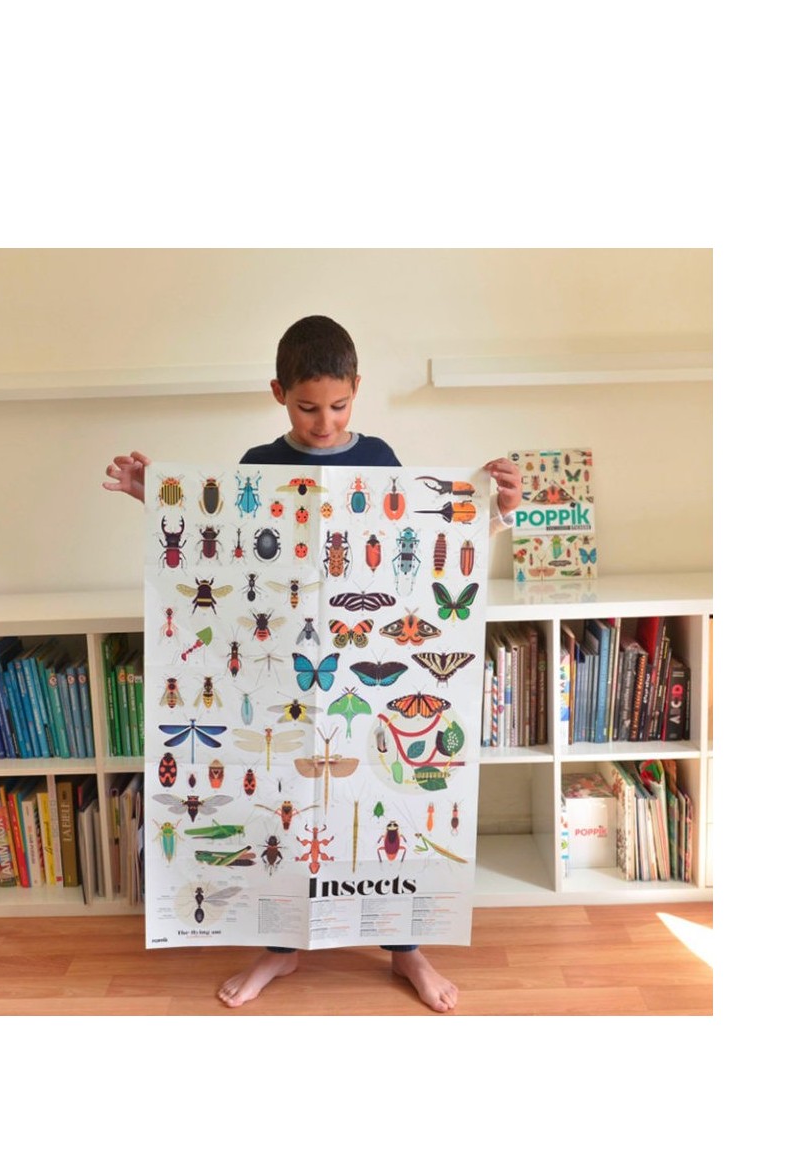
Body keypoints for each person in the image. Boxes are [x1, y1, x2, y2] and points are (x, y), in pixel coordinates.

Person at [103, 315, 522, 1012]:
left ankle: (407, 950)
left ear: (357, 389)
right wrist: (154, 492)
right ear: (278, 393)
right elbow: (219, 542)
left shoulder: (380, 458)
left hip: (370, 656)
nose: (324, 423)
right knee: (279, 807)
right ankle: (281, 948)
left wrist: (498, 510)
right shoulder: (260, 462)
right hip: (281, 664)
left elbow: (424, 541)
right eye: (306, 407)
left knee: (383, 798)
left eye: (338, 406)